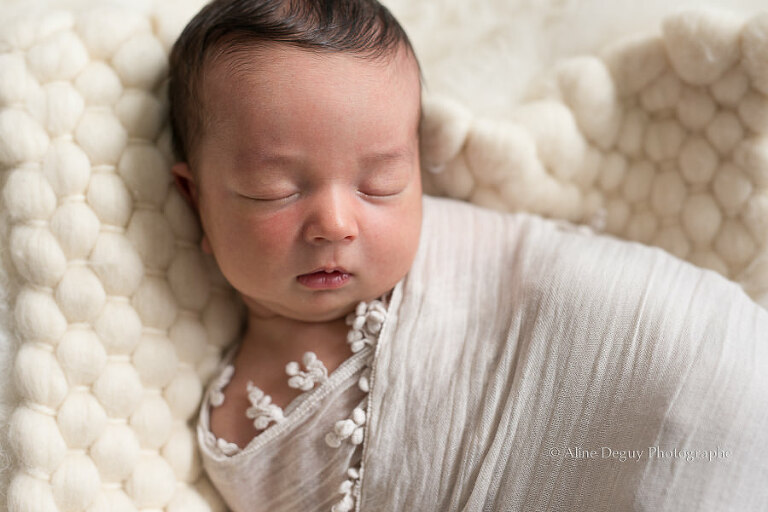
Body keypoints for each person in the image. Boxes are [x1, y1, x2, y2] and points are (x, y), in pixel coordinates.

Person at [168, 1, 768, 511]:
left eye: (381, 184)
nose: (336, 224)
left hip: (691, 364)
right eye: (275, 191)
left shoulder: (478, 254)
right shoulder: (239, 433)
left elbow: (576, 296)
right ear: (196, 203)